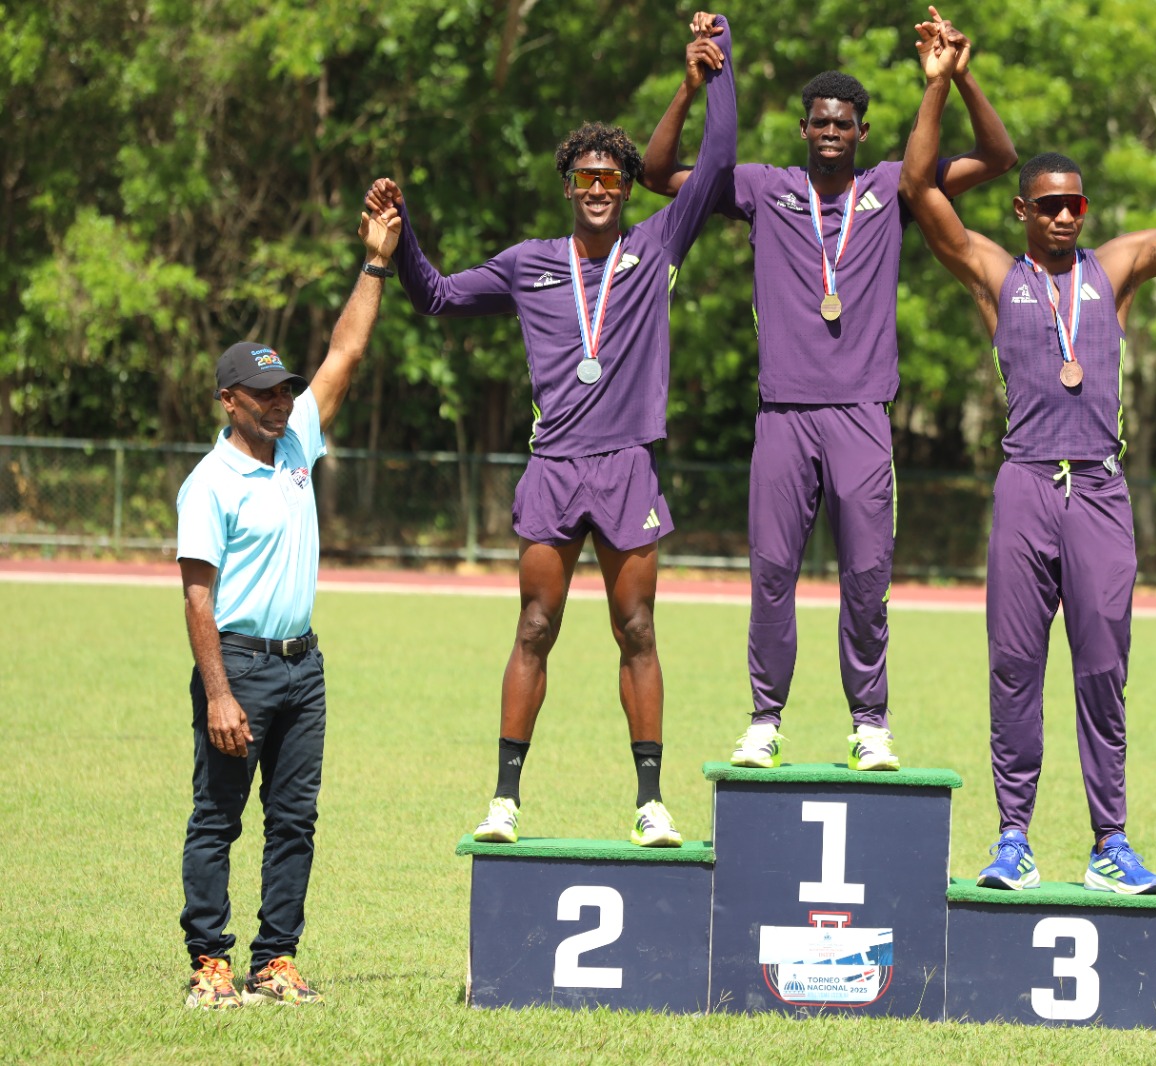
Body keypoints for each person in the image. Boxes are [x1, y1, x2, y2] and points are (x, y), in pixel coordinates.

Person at [900, 24, 1156, 897]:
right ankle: (1013, 839)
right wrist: (945, 82)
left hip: (1098, 486)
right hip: (1025, 482)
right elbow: (918, 189)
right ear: (1021, 211)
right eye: (1049, 204)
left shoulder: (1116, 268)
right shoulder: (995, 274)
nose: (1065, 215)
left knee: (1103, 670)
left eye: (1075, 204)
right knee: (1014, 669)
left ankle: (1110, 843)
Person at [364, 14, 736, 848]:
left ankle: (650, 802)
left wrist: (713, 71)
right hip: (556, 466)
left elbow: (717, 159)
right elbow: (437, 297)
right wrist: (404, 231)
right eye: (585, 177)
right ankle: (504, 801)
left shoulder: (657, 246)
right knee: (535, 627)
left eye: (611, 176)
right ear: (568, 186)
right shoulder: (529, 264)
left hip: (628, 466)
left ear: (627, 187)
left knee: (637, 631)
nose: (599, 187)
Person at [639, 6, 1016, 773]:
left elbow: (999, 157)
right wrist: (689, 89)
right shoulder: (762, 188)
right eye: (820, 123)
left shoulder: (895, 187)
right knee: (772, 576)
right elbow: (655, 174)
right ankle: (764, 721)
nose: (832, 132)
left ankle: (870, 723)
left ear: (863, 132)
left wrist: (956, 78)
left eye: (844, 123)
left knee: (867, 580)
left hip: (862, 416)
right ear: (804, 130)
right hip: (783, 416)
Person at [176, 207, 401, 1009]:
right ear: (229, 401)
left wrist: (375, 263)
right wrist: (219, 693)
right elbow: (197, 596)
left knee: (294, 820)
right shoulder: (210, 484)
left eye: (285, 392)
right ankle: (209, 961)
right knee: (218, 817)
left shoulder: (298, 441)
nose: (281, 403)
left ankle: (275, 960)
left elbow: (346, 351)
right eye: (264, 394)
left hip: (304, 666)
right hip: (237, 665)